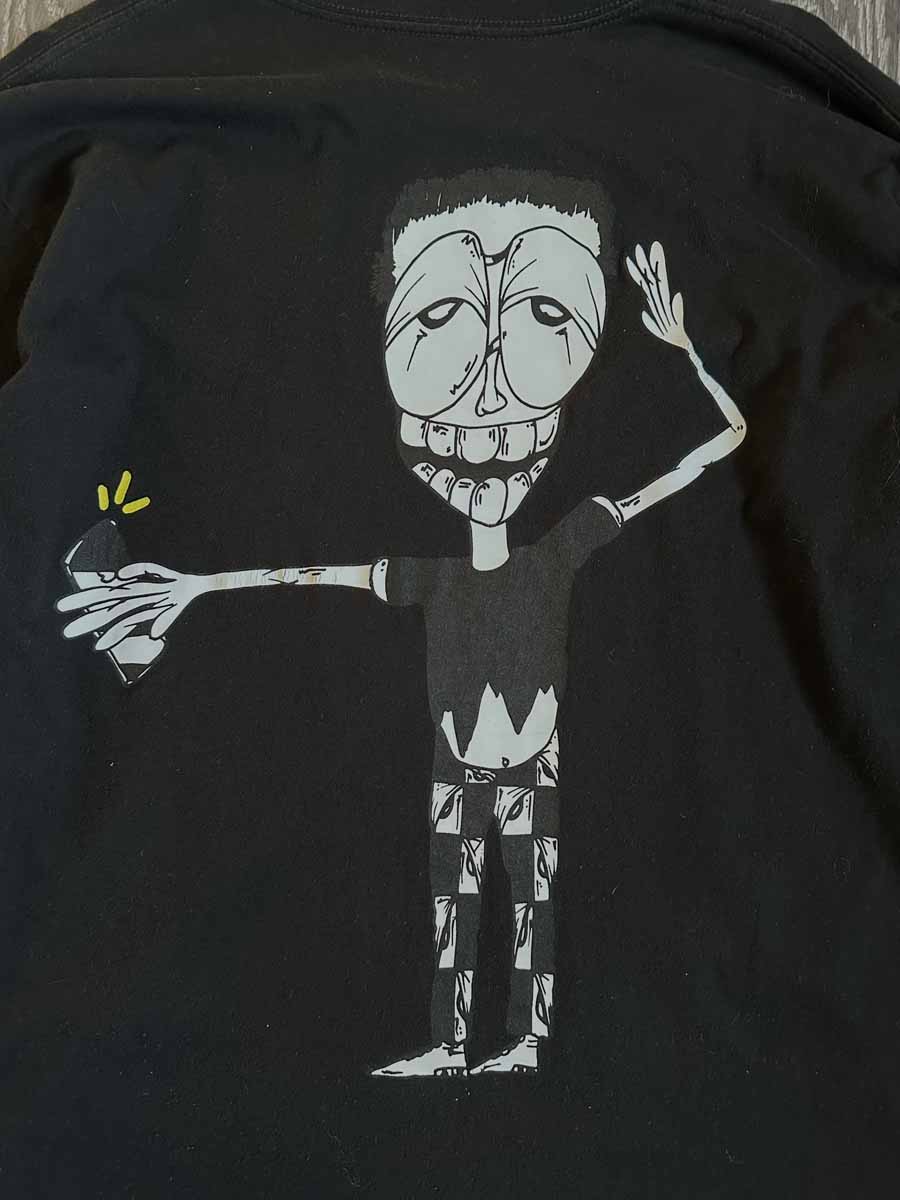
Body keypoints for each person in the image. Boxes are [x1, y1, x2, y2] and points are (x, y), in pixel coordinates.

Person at [56, 172, 746, 1077]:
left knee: (531, 904)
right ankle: (453, 1044)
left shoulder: (560, 550)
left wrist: (688, 351)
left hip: (530, 760)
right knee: (454, 906)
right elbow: (309, 576)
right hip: (459, 765)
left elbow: (717, 448)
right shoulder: (433, 578)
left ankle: (527, 1042)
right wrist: (195, 586)